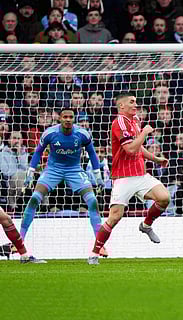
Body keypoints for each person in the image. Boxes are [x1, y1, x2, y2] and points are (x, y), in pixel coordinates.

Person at [88, 93, 170, 265]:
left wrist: (155, 159)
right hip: (123, 178)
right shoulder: (118, 123)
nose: (135, 104)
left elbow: (138, 148)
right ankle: (94, 253)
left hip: (140, 174)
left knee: (164, 198)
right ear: (121, 106)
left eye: (136, 101)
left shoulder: (136, 120)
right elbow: (131, 149)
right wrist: (145, 133)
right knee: (115, 217)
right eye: (132, 102)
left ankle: (146, 225)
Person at [21, 108, 106, 254]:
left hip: (74, 170)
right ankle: (19, 241)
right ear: (60, 118)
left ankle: (100, 245)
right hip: (53, 170)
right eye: (65, 116)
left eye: (70, 117)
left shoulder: (82, 134)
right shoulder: (50, 133)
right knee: (35, 198)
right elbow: (38, 152)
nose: (68, 119)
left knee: (92, 201)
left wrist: (98, 178)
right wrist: (30, 174)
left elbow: (92, 153)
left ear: (74, 119)